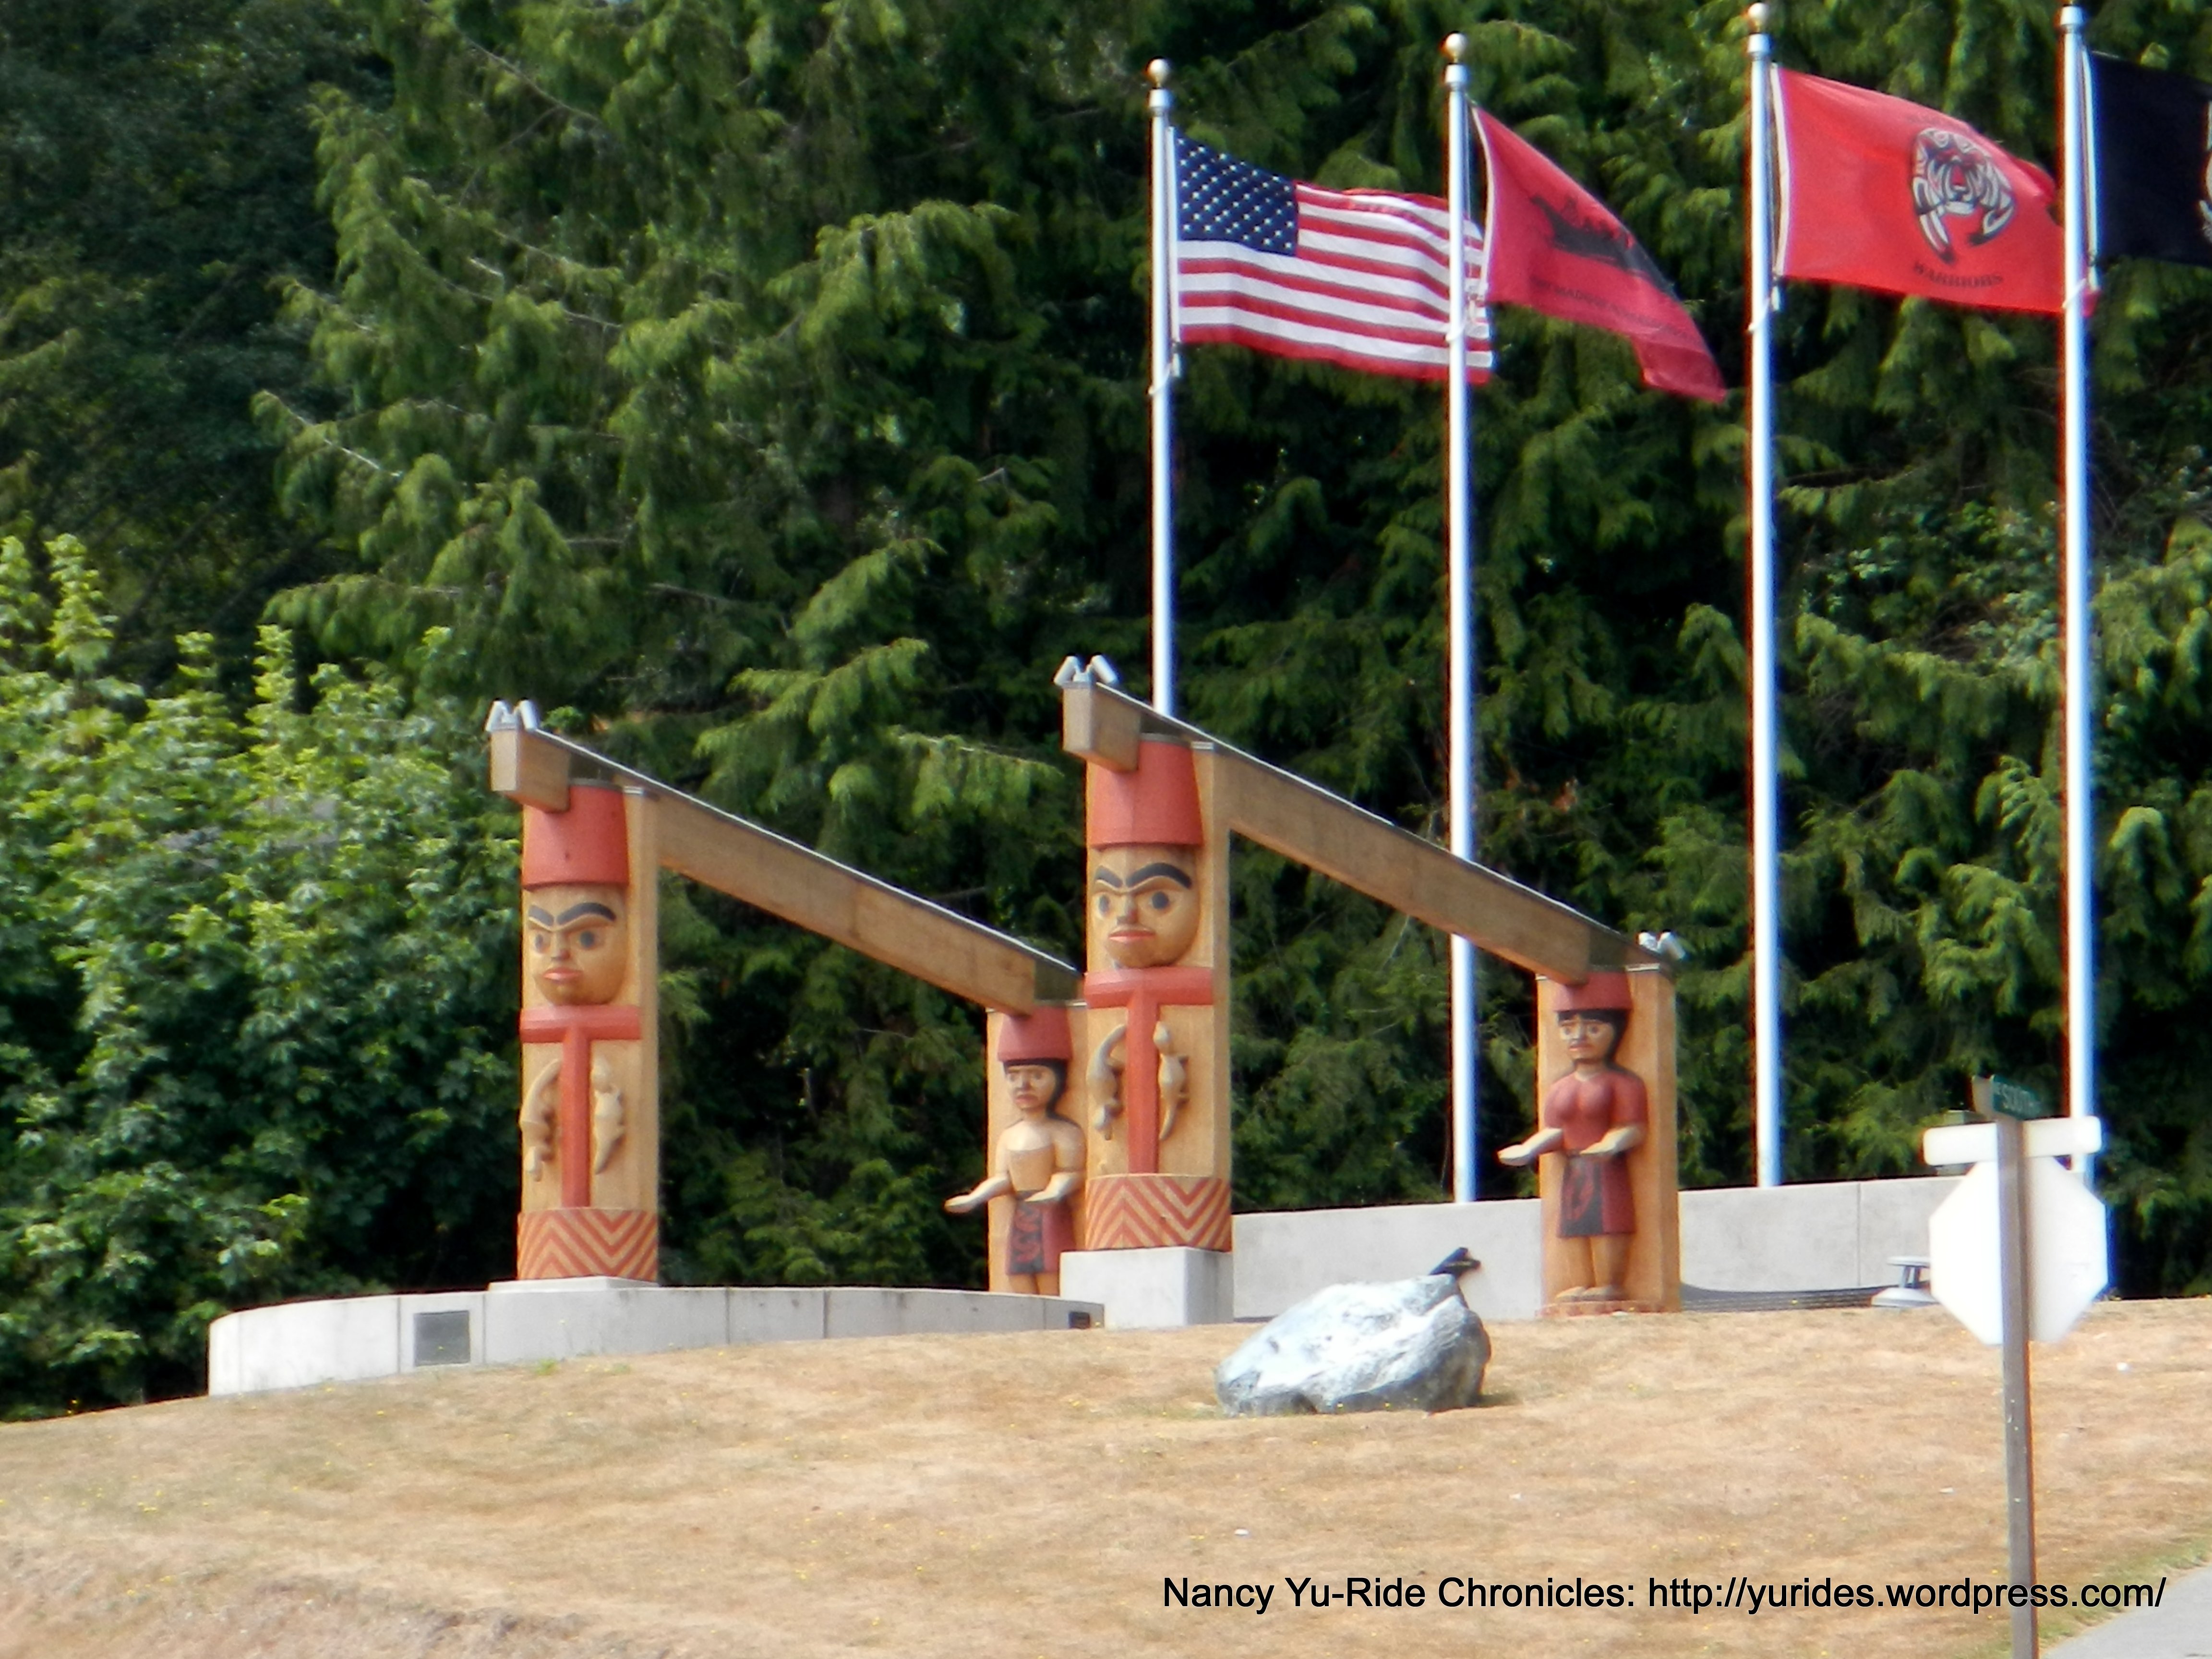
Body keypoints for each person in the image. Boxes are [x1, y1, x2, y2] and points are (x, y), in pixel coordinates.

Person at [1498, 973, 1647, 1302]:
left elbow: (1634, 1127)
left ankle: (1610, 1283)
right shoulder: (1561, 1087)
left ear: (1615, 1032)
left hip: (1606, 1166)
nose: (1578, 1037)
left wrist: (1612, 1143)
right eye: (1568, 1029)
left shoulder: (1622, 1083)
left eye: (1593, 1028)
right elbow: (1556, 1130)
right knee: (1576, 1223)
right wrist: (1528, 1149)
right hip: (1576, 1166)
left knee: (1608, 1221)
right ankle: (1583, 1280)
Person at [945, 1008, 1085, 1295]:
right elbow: (1004, 1178)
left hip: (1049, 1215)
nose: (1024, 1086)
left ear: (1058, 1079)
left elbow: (1070, 1173)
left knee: (1051, 1283)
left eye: (1037, 1075)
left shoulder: (1063, 1132)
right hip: (1022, 1217)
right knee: (1019, 1282)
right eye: (1014, 1076)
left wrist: (1054, 1192)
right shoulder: (1009, 1135)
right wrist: (975, 1198)